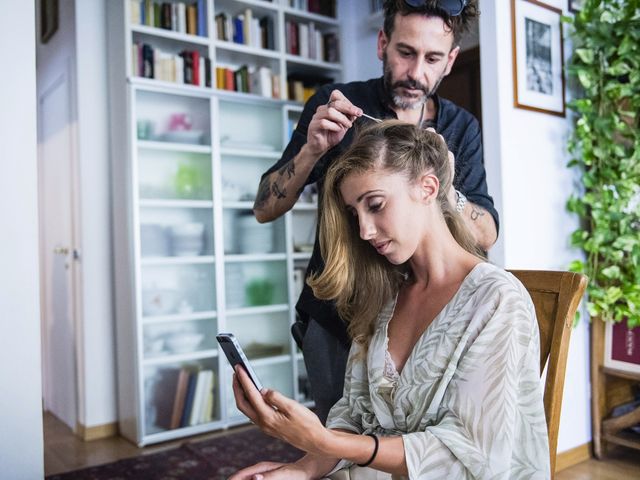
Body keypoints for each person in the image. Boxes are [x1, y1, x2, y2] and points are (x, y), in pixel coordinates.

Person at [230, 121, 550, 480]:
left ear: (428, 188)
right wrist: (299, 469)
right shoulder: (386, 297)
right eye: (355, 214)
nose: (364, 230)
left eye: (376, 205)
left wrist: (324, 441)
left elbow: (469, 456)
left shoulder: (497, 301)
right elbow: (353, 413)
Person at [253, 0, 499, 423]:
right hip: (336, 317)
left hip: (421, 315)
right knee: (337, 440)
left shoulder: (462, 128)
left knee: (410, 443)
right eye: (405, 52)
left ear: (450, 60)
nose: (416, 72)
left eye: (432, 58)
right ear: (383, 43)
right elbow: (264, 208)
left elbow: (488, 232)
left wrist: (445, 184)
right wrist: (313, 150)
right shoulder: (337, 105)